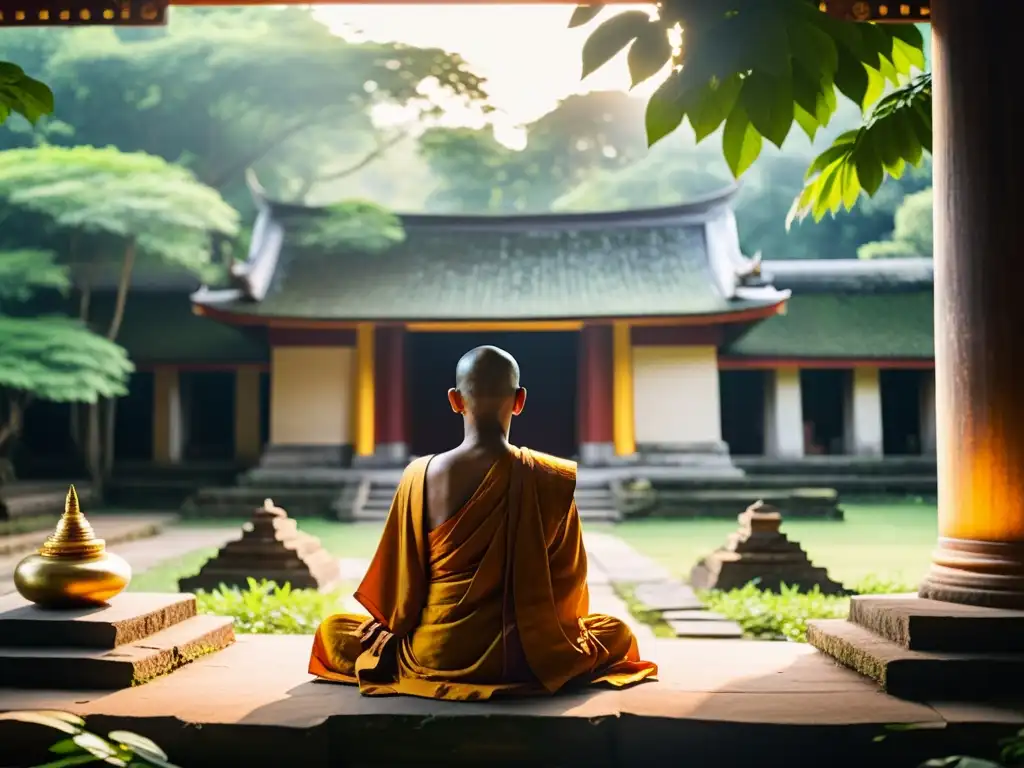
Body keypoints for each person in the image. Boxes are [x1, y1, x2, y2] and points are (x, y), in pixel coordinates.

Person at [308, 345, 657, 700]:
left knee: (334, 631)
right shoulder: (549, 478)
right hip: (526, 657)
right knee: (617, 632)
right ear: (520, 400)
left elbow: (398, 595)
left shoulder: (418, 476)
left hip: (434, 655)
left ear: (455, 400)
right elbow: (567, 588)